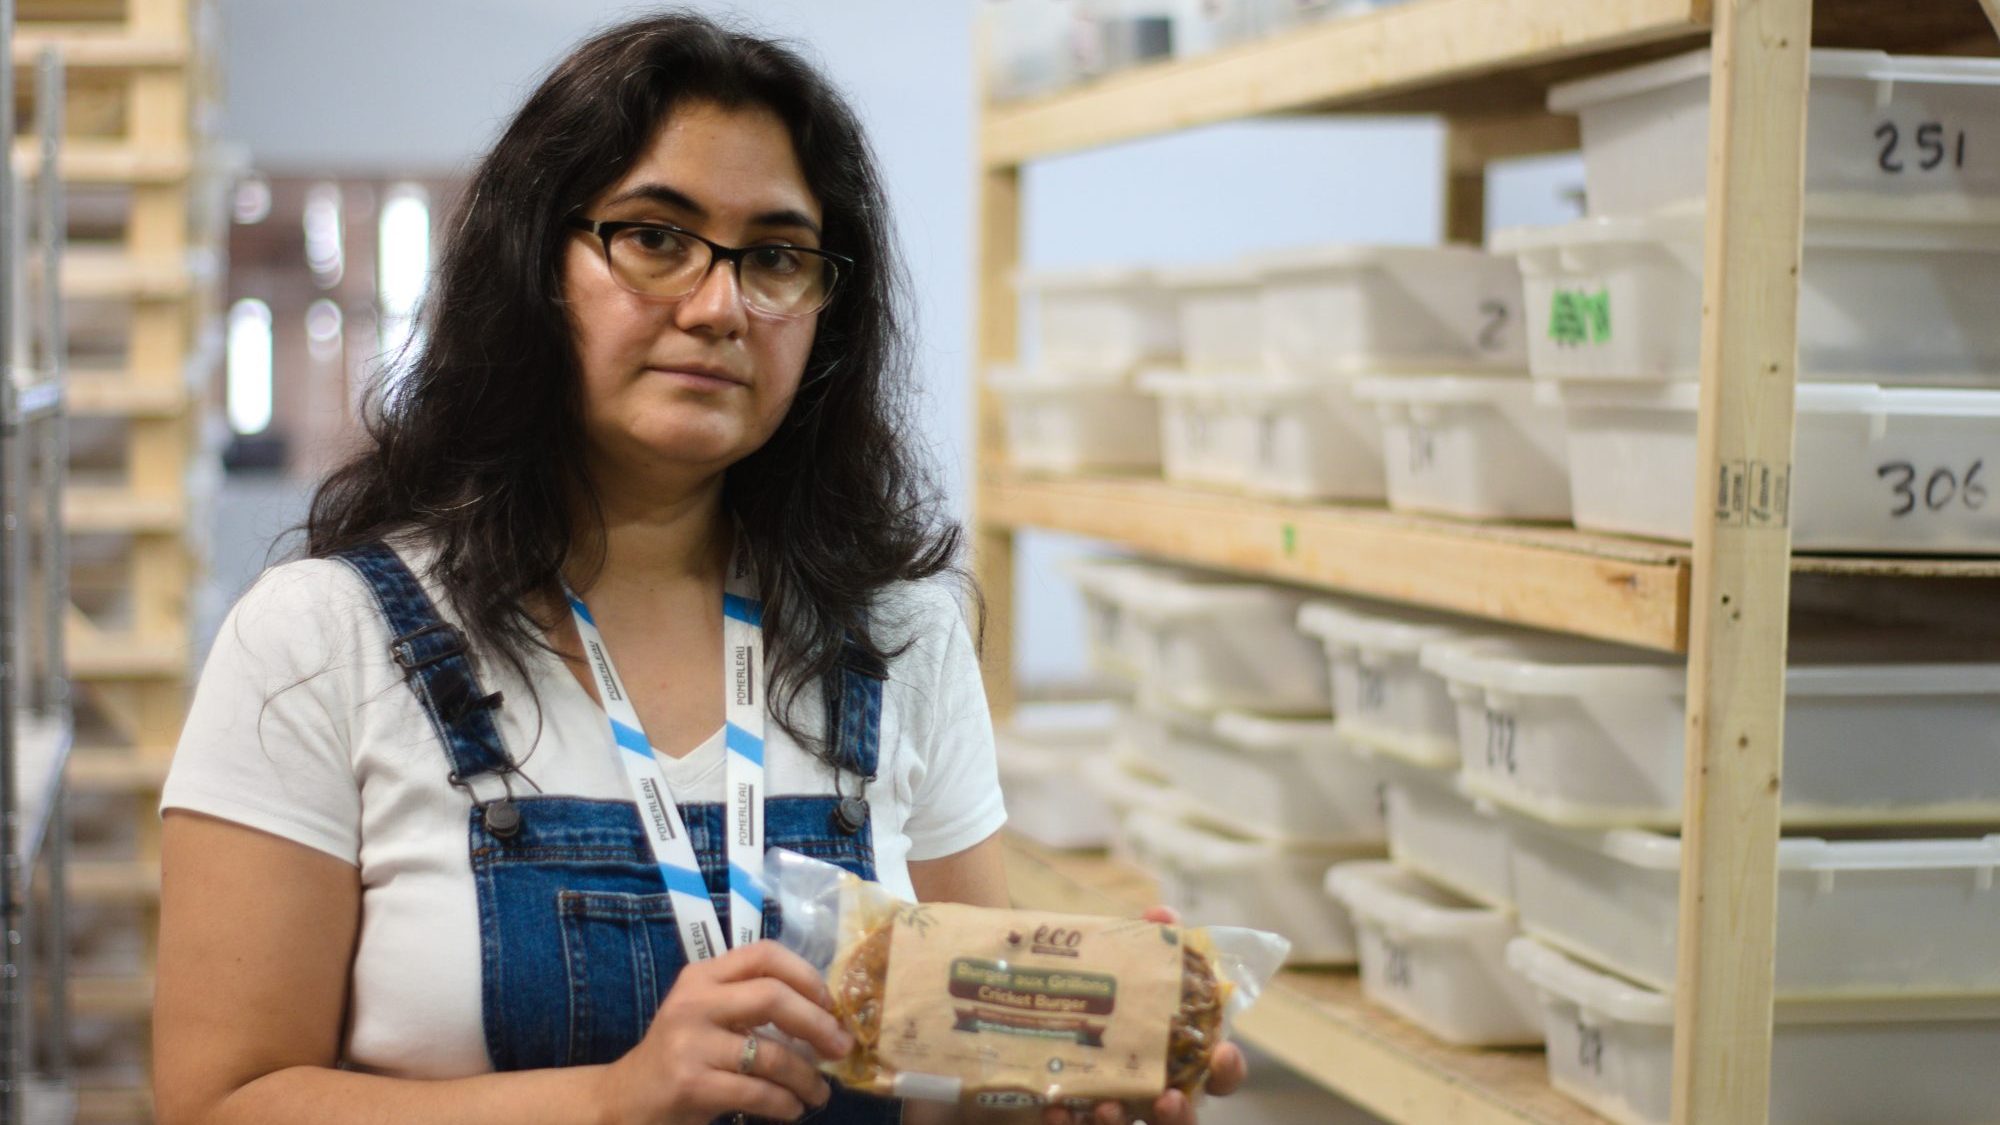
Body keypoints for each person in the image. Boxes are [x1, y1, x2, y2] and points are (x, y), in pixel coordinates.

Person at [153, 11, 1245, 1125]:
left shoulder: (898, 638)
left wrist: (1062, 1061)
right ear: (535, 267)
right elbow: (217, 1102)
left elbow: (945, 1077)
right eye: (654, 238)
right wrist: (610, 1100)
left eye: (774, 257)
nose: (718, 305)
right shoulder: (321, 642)